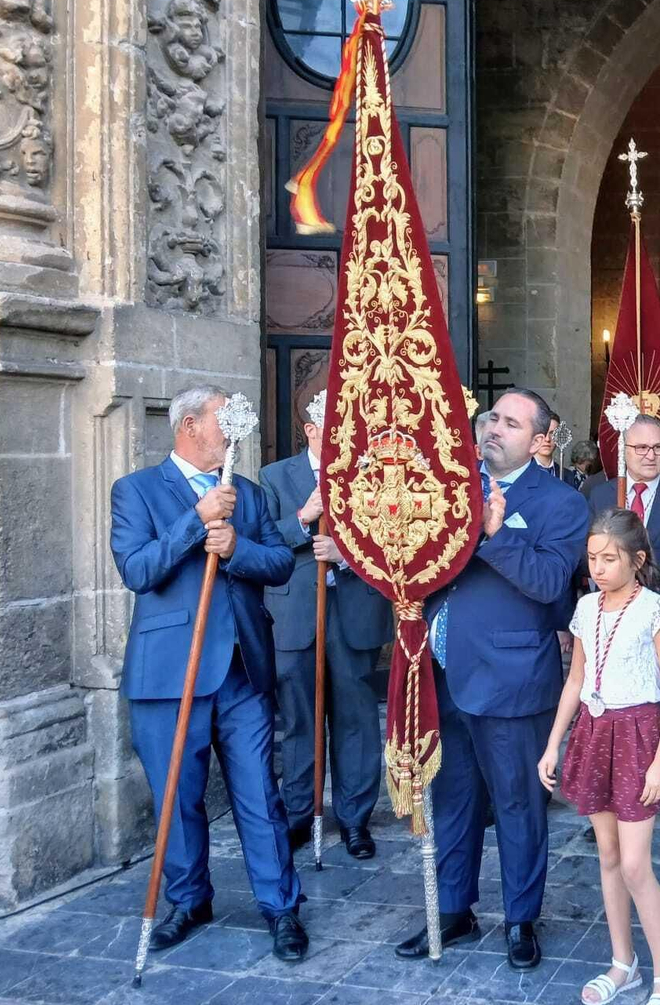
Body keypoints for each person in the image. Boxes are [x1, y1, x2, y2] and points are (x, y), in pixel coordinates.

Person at [109, 385, 308, 962]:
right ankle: (189, 899)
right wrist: (195, 524)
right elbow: (138, 569)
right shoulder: (138, 490)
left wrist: (236, 544)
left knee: (259, 795)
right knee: (179, 796)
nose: (234, 431)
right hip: (169, 674)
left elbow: (277, 565)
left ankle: (281, 908)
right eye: (226, 420)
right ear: (190, 425)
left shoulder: (247, 492)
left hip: (242, 670)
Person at [393, 387, 590, 969]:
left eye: (511, 422)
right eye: (492, 419)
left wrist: (496, 535)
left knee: (517, 803)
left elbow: (552, 584)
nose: (494, 429)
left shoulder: (559, 502)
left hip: (511, 676)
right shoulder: (444, 484)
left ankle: (521, 919)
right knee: (453, 797)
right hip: (438, 669)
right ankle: (454, 908)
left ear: (537, 439)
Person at [538, 509, 660, 1005]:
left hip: (638, 736)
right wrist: (554, 743)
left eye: (609, 558)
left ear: (637, 559)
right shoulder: (585, 608)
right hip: (595, 732)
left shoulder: (656, 610)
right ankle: (621, 962)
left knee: (634, 864)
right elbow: (575, 680)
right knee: (606, 855)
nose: (598, 567)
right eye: (592, 558)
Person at [259, 395, 393, 860]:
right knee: (300, 716)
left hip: (352, 606)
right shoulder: (274, 477)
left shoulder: (373, 476)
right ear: (311, 431)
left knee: (356, 716)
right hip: (297, 611)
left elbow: (392, 542)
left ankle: (355, 817)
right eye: (331, 428)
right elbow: (261, 540)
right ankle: (301, 811)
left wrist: (347, 557)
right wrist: (304, 520)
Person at [585, 414, 660, 854]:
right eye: (640, 448)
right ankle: (609, 808)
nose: (650, 455)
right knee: (613, 720)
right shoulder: (600, 494)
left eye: (657, 447)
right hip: (612, 630)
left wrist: (637, 562)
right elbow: (589, 559)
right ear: (624, 449)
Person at [533, 410, 574, 483]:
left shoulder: (567, 476)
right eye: (543, 432)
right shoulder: (520, 472)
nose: (547, 439)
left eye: (552, 433)